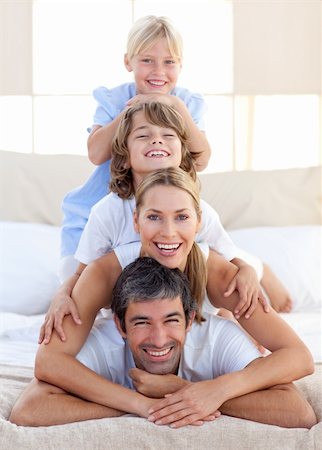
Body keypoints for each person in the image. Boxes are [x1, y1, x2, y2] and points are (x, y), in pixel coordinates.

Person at [11, 167, 313, 428]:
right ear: (136, 221)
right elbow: (49, 362)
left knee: (239, 294)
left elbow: (298, 357)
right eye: (154, 217)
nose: (168, 232)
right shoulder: (106, 272)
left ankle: (260, 272)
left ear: (199, 222)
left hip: (212, 306)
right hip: (137, 328)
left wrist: (212, 390)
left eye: (181, 217)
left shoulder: (218, 275)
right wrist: (141, 402)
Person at [39, 101, 270, 344]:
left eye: (168, 135)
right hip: (133, 314)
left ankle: (241, 296)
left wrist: (248, 272)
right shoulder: (108, 212)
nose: (157, 140)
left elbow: (233, 262)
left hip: (190, 311)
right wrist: (61, 294)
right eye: (143, 135)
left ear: (182, 154)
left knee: (249, 339)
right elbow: (81, 274)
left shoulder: (199, 211)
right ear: (125, 157)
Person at [9, 257, 316, 428]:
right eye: (141, 322)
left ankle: (261, 266)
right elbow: (29, 410)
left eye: (171, 320)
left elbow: (298, 412)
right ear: (120, 325)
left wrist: (179, 390)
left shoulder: (217, 336)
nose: (158, 339)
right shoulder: (101, 339)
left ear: (190, 319)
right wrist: (140, 404)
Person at [60, 15, 211, 279]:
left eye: (169, 62)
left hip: (157, 216)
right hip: (96, 216)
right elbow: (96, 154)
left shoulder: (185, 102)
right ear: (128, 61)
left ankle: (257, 268)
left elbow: (201, 160)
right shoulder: (114, 99)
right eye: (147, 60)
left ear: (180, 65)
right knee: (74, 282)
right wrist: (132, 109)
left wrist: (177, 108)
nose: (158, 71)